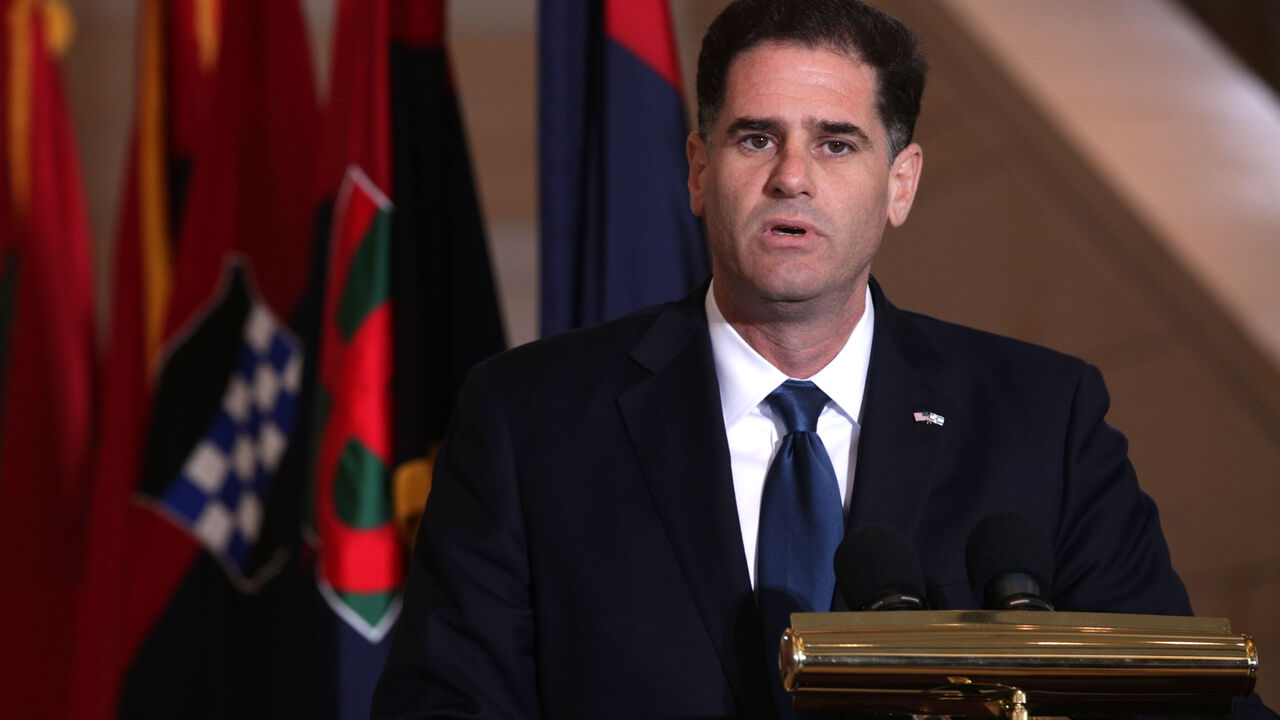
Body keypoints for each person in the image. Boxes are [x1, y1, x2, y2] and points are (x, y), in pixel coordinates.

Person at [371, 1, 1273, 718]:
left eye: (836, 143)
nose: (791, 177)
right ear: (696, 169)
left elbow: (1181, 700)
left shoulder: (1045, 419)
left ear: (902, 182)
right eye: (756, 138)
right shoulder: (531, 419)